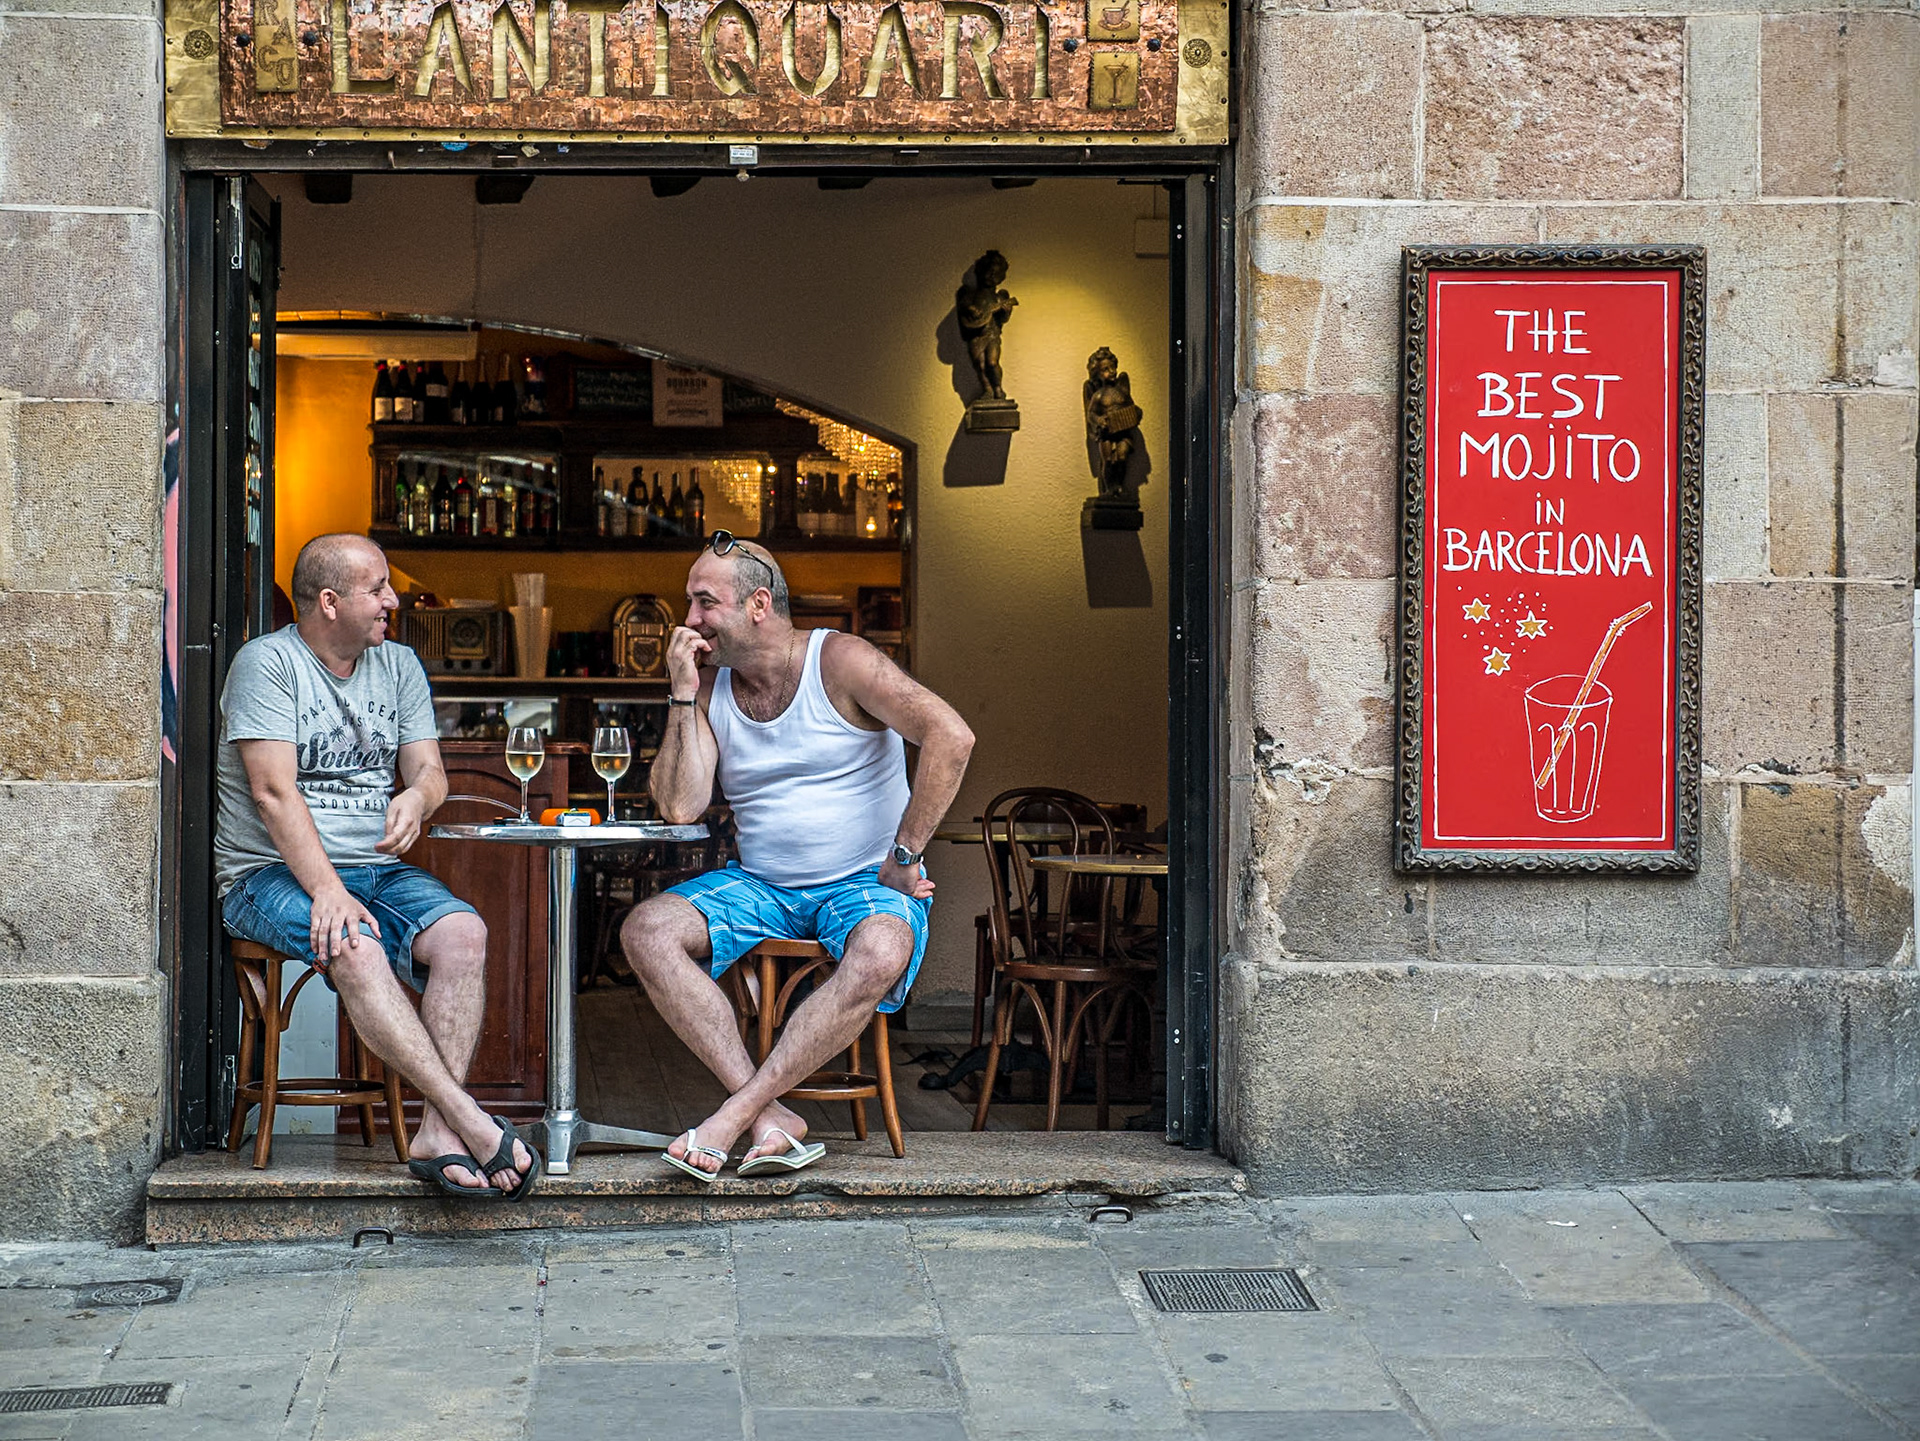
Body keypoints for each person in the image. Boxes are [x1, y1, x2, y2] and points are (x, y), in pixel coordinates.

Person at [623, 531, 974, 1179]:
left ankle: (735, 1114)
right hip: (763, 886)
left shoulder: (839, 661)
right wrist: (680, 690)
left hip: (862, 883)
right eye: (690, 603)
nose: (689, 620)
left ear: (758, 604)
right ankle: (768, 1113)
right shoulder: (710, 688)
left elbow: (950, 735)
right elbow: (679, 806)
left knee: (882, 949)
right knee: (646, 929)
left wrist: (906, 853)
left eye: (704, 603)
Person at [215, 534, 539, 1199]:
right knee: (354, 945)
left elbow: (430, 771)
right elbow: (273, 792)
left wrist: (417, 797)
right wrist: (327, 889)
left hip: (374, 870)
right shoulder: (267, 664)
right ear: (330, 602)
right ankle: (473, 1123)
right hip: (267, 876)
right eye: (379, 588)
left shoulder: (397, 665)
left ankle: (438, 1134)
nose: (395, 599)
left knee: (464, 934)